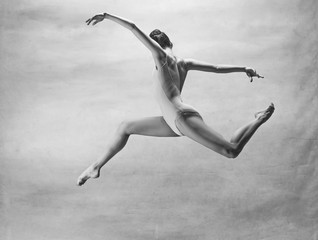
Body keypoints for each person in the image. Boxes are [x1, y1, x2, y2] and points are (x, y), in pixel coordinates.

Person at [77, 12, 275, 186]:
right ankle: (95, 167)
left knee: (231, 150)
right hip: (170, 121)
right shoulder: (184, 62)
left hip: (181, 116)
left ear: (157, 45)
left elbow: (133, 27)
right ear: (171, 43)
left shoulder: (160, 57)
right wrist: (244, 68)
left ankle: (259, 119)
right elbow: (216, 68)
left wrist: (107, 16)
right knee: (125, 126)